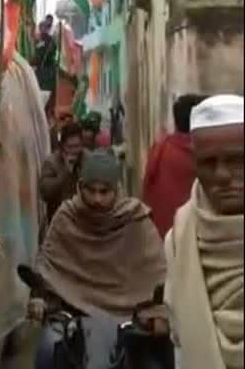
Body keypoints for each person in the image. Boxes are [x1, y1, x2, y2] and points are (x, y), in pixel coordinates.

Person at [32, 150, 166, 324]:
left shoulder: (135, 220)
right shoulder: (67, 218)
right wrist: (41, 302)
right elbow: (48, 273)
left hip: (127, 324)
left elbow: (159, 277)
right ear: (80, 187)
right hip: (74, 320)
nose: (97, 199)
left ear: (116, 190)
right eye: (91, 190)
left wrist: (158, 314)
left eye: (104, 191)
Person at [164, 95, 244, 369]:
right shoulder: (179, 238)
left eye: (236, 161)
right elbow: (180, 344)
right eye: (208, 163)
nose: (222, 175)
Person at [142, 94, 207, 237]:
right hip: (198, 235)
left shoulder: (161, 148)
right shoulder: (207, 154)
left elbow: (147, 186)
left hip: (163, 233)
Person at [39, 122, 84, 226]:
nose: (73, 151)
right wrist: (65, 173)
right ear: (62, 146)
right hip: (59, 221)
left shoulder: (87, 159)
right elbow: (44, 193)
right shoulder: (51, 163)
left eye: (76, 146)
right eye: (69, 147)